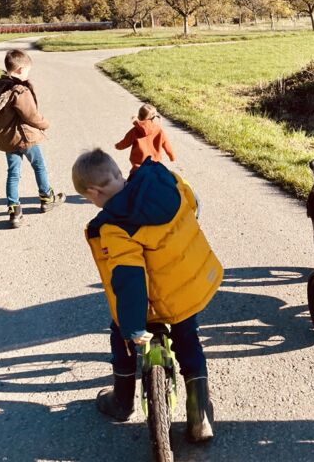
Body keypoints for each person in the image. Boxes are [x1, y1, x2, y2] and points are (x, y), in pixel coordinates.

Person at [72, 148, 223, 442]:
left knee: (121, 335)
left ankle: (122, 401)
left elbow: (129, 280)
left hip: (159, 301)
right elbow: (193, 202)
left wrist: (132, 327)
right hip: (189, 286)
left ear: (93, 191)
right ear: (118, 172)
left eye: (89, 198)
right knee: (188, 339)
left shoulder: (117, 227)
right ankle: (199, 415)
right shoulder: (165, 179)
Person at [0, 49, 65, 228]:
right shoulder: (19, 90)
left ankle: (14, 210)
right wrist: (45, 124)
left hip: (7, 139)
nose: (28, 74)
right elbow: (31, 115)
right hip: (24, 137)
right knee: (39, 165)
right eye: (27, 71)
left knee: (13, 173)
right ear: (20, 69)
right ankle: (46, 197)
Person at [115, 103, 176, 174]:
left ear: (139, 116)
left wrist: (118, 146)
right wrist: (172, 156)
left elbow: (125, 142)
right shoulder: (159, 130)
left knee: (133, 182)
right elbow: (166, 144)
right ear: (154, 117)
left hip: (138, 167)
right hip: (155, 165)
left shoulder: (135, 131)